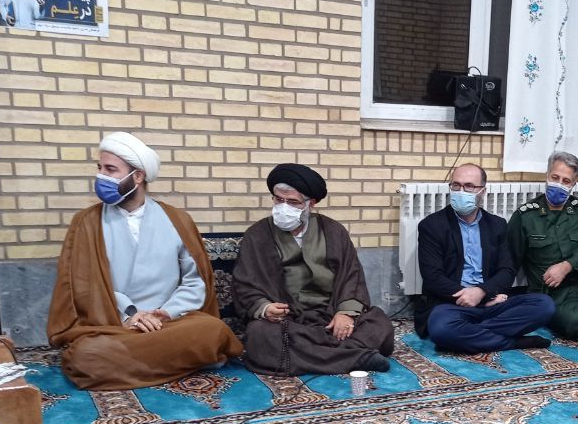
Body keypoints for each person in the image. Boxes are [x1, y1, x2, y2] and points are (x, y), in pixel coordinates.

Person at [47, 131, 242, 389]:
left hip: (168, 322)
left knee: (213, 330)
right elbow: (83, 287)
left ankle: (139, 361)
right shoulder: (86, 222)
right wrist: (131, 315)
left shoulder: (177, 220)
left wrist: (167, 313)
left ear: (137, 176)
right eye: (100, 168)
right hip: (115, 323)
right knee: (85, 356)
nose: (101, 176)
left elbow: (195, 282)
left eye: (110, 169)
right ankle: (181, 359)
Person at [233, 163, 394, 375]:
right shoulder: (257, 234)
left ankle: (312, 354)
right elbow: (245, 283)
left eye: (293, 202)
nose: (283, 207)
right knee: (261, 335)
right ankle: (356, 357)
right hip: (287, 320)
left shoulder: (333, 231)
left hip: (330, 313)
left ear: (311, 204)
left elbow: (351, 276)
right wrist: (265, 307)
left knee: (379, 323)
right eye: (278, 200)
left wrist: (345, 314)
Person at [416, 163, 555, 353]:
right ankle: (513, 342)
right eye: (456, 185)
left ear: (483, 191)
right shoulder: (432, 226)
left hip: (490, 301)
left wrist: (482, 293)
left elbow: (507, 270)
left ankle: (466, 335)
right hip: (451, 304)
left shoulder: (497, 225)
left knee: (544, 305)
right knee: (441, 327)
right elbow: (432, 277)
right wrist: (472, 297)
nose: (461, 191)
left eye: (469, 186)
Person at [507, 150, 578, 340]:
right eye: (555, 177)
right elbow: (509, 260)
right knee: (573, 323)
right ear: (547, 176)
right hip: (550, 294)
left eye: (566, 180)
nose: (559, 184)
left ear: (573, 184)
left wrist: (567, 265)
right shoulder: (525, 216)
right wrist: (497, 294)